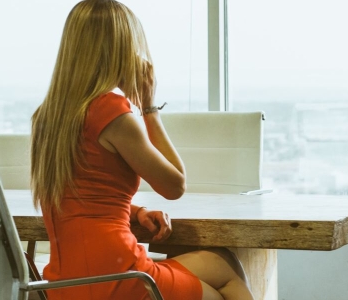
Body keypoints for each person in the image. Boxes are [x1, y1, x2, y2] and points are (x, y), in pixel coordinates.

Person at [29, 1, 253, 299]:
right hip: (119, 275)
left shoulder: (46, 117)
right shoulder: (111, 111)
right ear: (122, 49)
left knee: (223, 262)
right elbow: (175, 186)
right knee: (227, 275)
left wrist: (137, 211)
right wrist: (149, 106)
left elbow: (75, 199)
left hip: (64, 283)